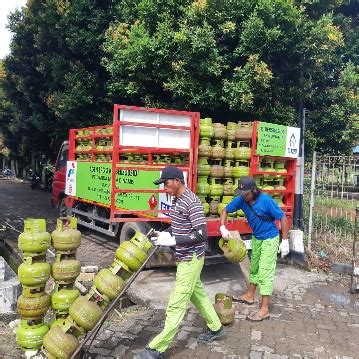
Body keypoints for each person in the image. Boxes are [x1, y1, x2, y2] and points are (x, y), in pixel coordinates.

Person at [136, 166, 224, 359]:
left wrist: (175, 241)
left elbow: (202, 234)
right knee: (196, 294)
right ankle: (216, 327)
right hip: (183, 257)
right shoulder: (176, 200)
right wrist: (166, 234)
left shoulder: (192, 202)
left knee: (176, 303)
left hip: (191, 258)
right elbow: (181, 227)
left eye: (166, 184)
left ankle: (157, 348)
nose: (164, 188)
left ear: (177, 180)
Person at [220, 176, 289, 322]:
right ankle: (249, 295)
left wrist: (285, 241)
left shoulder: (266, 201)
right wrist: (222, 227)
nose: (243, 197)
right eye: (241, 194)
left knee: (265, 272)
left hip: (270, 238)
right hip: (257, 237)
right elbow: (225, 210)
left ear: (254, 190)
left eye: (246, 194)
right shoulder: (241, 199)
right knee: (254, 268)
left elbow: (282, 218)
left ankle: (264, 310)